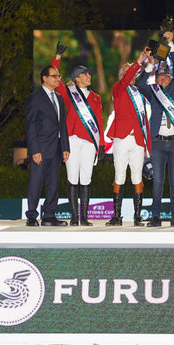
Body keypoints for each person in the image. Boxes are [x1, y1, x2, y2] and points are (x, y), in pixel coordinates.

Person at [51, 42, 105, 226]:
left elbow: (99, 122)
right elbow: (55, 80)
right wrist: (57, 56)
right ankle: (74, 217)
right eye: (85, 74)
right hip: (72, 140)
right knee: (72, 177)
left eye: (89, 74)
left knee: (87, 178)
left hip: (90, 142)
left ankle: (84, 217)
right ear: (76, 78)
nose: (89, 76)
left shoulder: (96, 97)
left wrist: (103, 144)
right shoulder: (67, 92)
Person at [138, 31, 174, 227]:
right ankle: (155, 217)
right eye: (159, 77)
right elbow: (141, 83)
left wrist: (171, 44)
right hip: (158, 142)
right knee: (157, 182)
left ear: (170, 78)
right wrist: (150, 64)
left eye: (165, 77)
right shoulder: (154, 93)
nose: (162, 80)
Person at [105, 48, 152, 227]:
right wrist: (138, 61)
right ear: (121, 76)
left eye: (134, 73)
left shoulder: (139, 94)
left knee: (137, 177)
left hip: (138, 139)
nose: (132, 75)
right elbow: (126, 78)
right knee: (119, 175)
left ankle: (137, 216)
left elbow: (144, 121)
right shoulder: (118, 89)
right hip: (122, 138)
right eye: (129, 73)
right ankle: (117, 216)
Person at [25, 65, 70, 227]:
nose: (58, 79)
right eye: (54, 76)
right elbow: (30, 126)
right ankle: (31, 216)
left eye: (59, 76)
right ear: (44, 78)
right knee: (36, 182)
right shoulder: (35, 98)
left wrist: (65, 147)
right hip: (41, 149)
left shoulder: (58, 98)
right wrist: (34, 150)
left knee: (53, 183)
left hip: (56, 148)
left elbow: (62, 125)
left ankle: (49, 216)